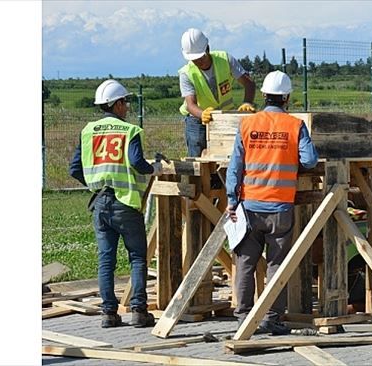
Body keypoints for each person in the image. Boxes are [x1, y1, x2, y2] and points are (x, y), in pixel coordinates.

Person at [226, 71, 318, 335]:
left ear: (264, 95)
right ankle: (271, 318)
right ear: (287, 97)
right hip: (280, 208)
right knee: (277, 265)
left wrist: (233, 201)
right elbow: (310, 160)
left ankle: (244, 317)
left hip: (250, 206)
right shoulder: (294, 125)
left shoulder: (247, 124)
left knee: (245, 261)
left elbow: (235, 167)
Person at [69, 79, 161, 328]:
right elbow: (136, 162)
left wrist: (94, 182)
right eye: (125, 102)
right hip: (125, 203)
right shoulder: (129, 131)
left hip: (100, 202)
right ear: (117, 104)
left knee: (106, 260)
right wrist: (155, 168)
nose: (128, 106)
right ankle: (139, 311)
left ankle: (109, 313)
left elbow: (74, 168)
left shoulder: (88, 131)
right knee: (138, 257)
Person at [179, 28, 256, 157]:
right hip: (198, 119)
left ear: (207, 49)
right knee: (197, 156)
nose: (198, 62)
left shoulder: (225, 59)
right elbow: (190, 105)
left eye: (200, 57)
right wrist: (202, 114)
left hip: (225, 115)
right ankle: (200, 177)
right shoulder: (186, 73)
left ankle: (219, 177)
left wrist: (247, 103)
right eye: (194, 59)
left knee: (227, 153)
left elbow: (249, 83)